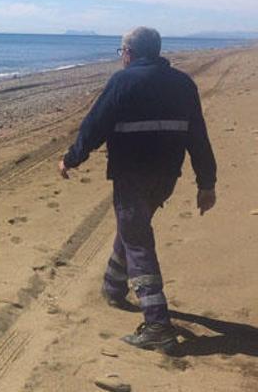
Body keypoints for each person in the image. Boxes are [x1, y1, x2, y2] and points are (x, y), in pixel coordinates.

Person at [58, 26, 217, 351]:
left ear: (129, 53)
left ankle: (157, 324)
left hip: (132, 174)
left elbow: (94, 127)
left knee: (139, 241)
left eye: (122, 53)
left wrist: (70, 160)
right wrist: (206, 182)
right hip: (166, 177)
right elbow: (198, 136)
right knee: (134, 228)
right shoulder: (184, 84)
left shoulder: (123, 81)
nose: (122, 58)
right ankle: (114, 287)